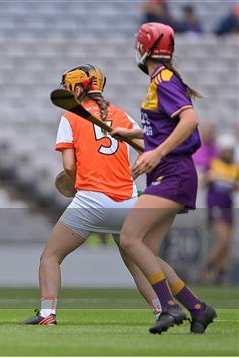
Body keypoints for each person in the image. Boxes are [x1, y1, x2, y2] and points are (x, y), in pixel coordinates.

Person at [24, 64, 161, 325]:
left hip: (91, 201)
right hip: (128, 201)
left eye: (69, 87)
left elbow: (68, 166)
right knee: (136, 263)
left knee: (51, 256)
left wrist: (76, 180)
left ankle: (47, 314)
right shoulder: (122, 116)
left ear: (77, 88)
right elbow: (149, 150)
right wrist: (131, 175)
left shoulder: (70, 118)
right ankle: (162, 309)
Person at [112, 22, 216, 334]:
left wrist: (157, 154)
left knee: (129, 238)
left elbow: (190, 119)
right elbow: (162, 133)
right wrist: (132, 134)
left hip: (172, 174)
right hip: (171, 174)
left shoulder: (164, 80)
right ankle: (198, 308)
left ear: (144, 48)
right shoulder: (162, 79)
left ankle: (169, 307)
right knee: (146, 249)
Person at [200, 134, 239, 284]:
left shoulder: (235, 168)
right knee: (223, 240)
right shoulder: (213, 163)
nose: (228, 153)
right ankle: (207, 268)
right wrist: (209, 177)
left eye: (230, 151)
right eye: (226, 151)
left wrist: (223, 179)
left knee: (227, 243)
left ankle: (220, 274)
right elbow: (203, 183)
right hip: (215, 205)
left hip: (228, 206)